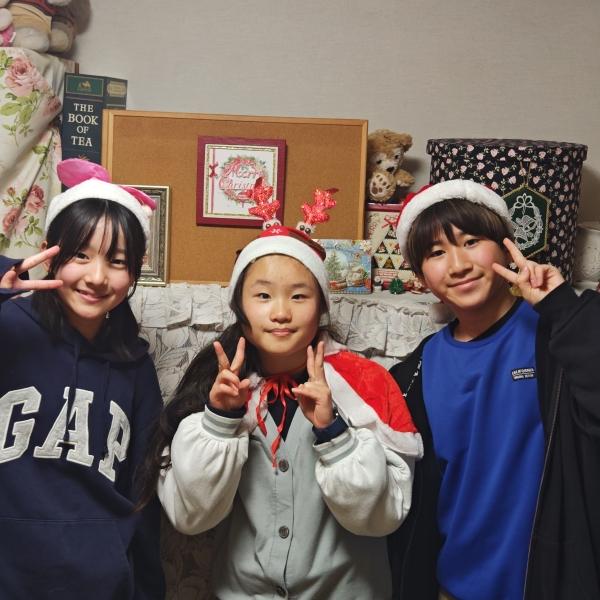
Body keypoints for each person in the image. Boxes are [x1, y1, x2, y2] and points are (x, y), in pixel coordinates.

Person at [139, 194, 423, 598]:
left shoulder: (366, 384)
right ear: (240, 308)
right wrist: (220, 419)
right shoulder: (219, 385)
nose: (281, 313)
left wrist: (333, 432)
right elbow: (191, 517)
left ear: (321, 307)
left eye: (299, 296)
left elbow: (382, 518)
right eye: (263, 296)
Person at [387, 179, 600, 600]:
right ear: (421, 276)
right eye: (436, 253)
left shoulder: (558, 335)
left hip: (553, 581)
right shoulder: (413, 372)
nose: (458, 264)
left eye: (471, 242)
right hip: (453, 586)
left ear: (506, 247)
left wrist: (561, 309)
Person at [0, 159, 165, 599]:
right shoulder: (9, 329)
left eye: (117, 261)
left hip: (100, 583)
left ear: (136, 270)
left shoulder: (136, 366)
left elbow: (144, 496)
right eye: (80, 255)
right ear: (48, 252)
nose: (96, 277)